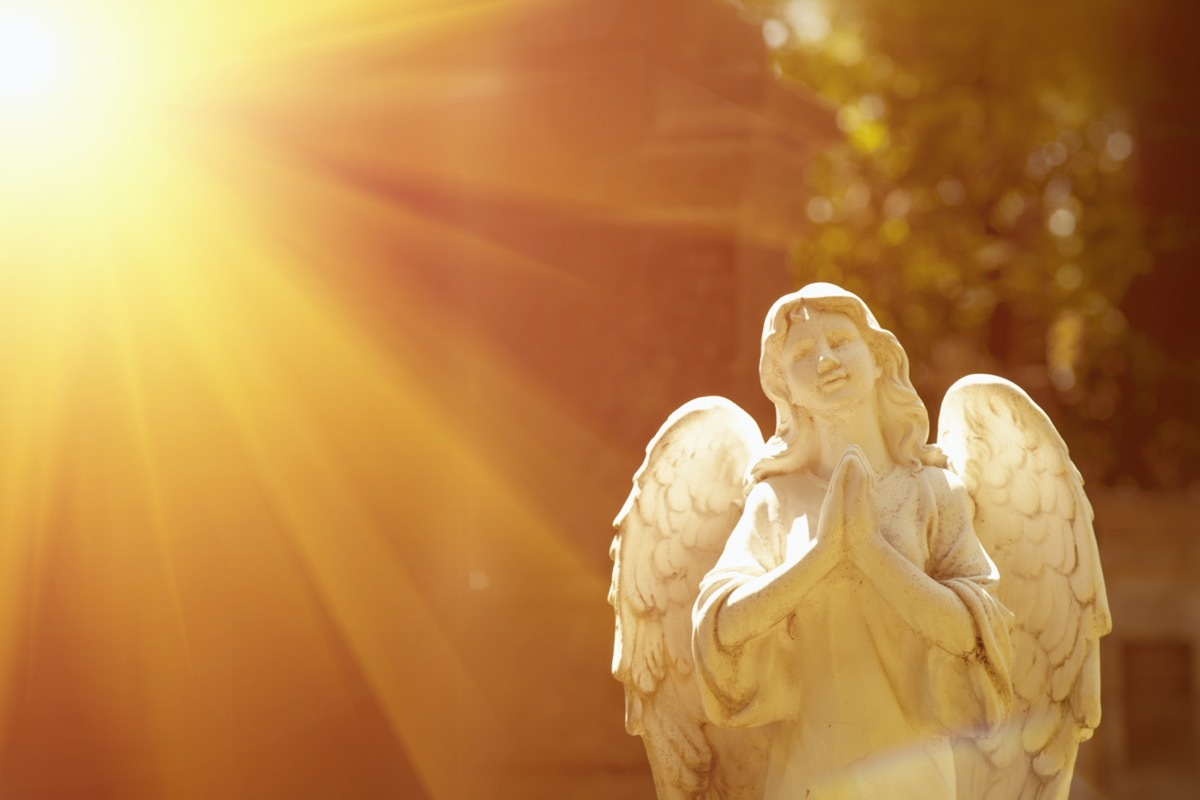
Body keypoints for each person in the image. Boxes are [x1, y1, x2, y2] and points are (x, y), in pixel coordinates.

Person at [691, 283, 1013, 800]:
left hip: (915, 772)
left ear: (879, 357)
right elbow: (720, 628)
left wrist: (870, 552)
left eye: (840, 341)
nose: (825, 360)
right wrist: (822, 557)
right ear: (785, 387)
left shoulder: (932, 491)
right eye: (801, 353)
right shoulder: (776, 501)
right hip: (808, 773)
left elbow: (975, 636)